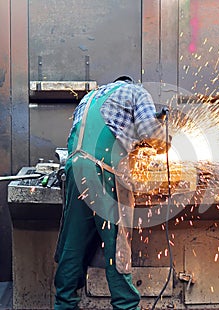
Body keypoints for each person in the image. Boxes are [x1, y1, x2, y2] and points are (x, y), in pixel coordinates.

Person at [54, 75, 169, 310]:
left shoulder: (89, 98)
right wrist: (165, 139)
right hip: (104, 171)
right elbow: (150, 134)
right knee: (116, 245)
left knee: (73, 243)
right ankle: (126, 305)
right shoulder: (137, 92)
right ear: (130, 83)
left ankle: (64, 302)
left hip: (75, 169)